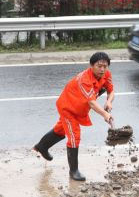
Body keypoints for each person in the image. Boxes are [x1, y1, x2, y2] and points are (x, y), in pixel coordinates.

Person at [33, 52, 114, 181]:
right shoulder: (84, 80)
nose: (103, 69)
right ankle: (74, 171)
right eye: (99, 66)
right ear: (91, 65)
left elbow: (111, 90)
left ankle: (41, 147)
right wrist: (105, 114)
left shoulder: (106, 74)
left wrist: (109, 101)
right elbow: (92, 102)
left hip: (80, 108)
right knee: (74, 135)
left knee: (61, 130)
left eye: (105, 66)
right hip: (68, 107)